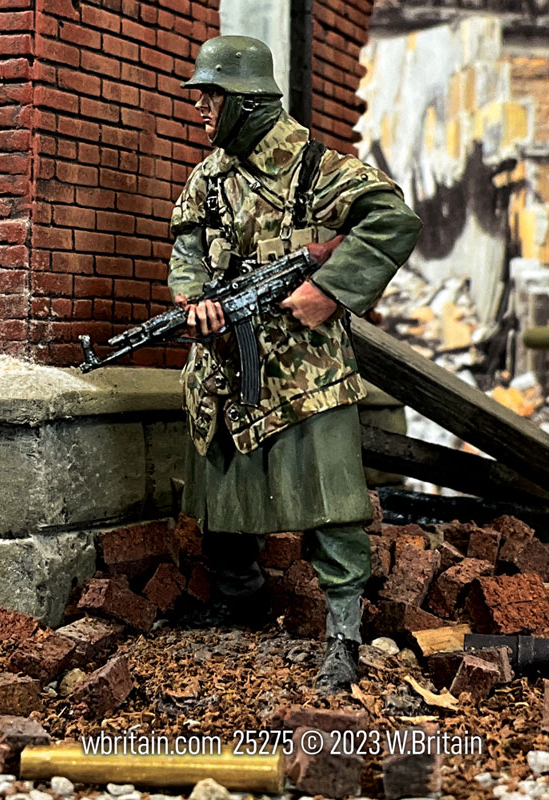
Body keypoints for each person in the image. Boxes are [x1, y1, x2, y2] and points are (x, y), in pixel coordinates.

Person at [168, 35, 422, 693]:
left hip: (308, 373)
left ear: (247, 101)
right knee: (221, 489)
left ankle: (343, 637)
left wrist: (327, 290)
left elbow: (393, 220)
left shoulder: (317, 168)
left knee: (332, 506)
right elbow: (186, 250)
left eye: (212, 97)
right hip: (228, 364)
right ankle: (240, 594)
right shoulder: (208, 178)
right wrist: (193, 300)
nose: (201, 109)